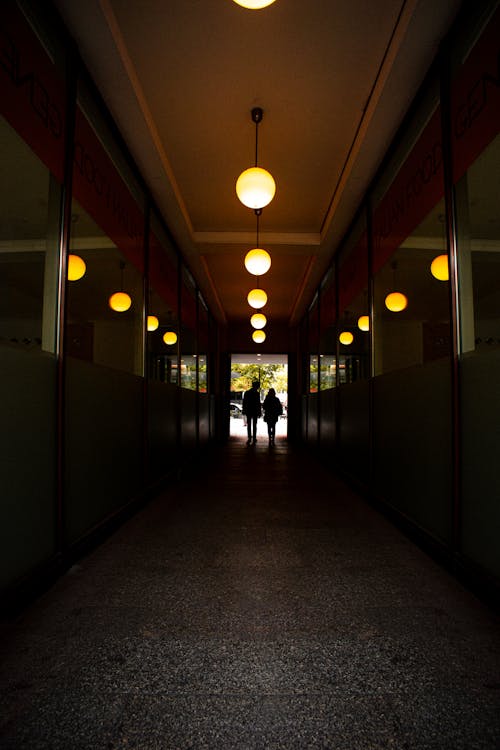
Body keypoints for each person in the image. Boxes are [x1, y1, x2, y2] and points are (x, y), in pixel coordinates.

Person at [242, 380, 261, 444]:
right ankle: (254, 438)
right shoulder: (257, 394)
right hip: (254, 411)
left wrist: (244, 410)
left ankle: (249, 438)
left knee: (249, 425)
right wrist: (259, 412)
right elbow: (258, 404)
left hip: (248, 410)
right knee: (254, 425)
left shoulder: (247, 393)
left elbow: (244, 403)